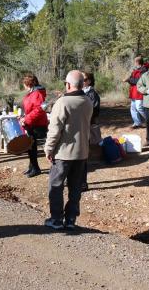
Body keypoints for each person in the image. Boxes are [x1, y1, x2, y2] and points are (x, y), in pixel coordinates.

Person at [44, 70, 93, 230]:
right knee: (75, 187)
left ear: (68, 84)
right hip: (82, 152)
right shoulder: (87, 101)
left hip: (63, 153)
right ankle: (71, 219)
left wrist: (49, 149)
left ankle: (57, 219)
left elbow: (54, 129)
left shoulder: (63, 103)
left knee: (56, 185)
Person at [20, 74, 48, 178]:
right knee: (30, 146)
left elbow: (39, 110)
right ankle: (32, 167)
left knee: (32, 146)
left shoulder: (37, 93)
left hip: (37, 124)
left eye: (24, 83)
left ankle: (36, 169)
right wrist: (23, 117)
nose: (23, 85)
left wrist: (26, 119)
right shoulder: (32, 93)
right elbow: (30, 108)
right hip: (31, 122)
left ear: (28, 83)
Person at [81, 72, 101, 191]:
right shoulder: (79, 92)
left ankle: (83, 182)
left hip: (86, 126)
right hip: (77, 127)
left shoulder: (92, 94)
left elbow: (94, 111)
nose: (82, 81)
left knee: (83, 154)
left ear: (89, 81)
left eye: (84, 79)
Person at [124, 56, 147, 128]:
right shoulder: (135, 70)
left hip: (139, 91)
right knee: (133, 108)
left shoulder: (144, 70)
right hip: (134, 91)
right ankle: (137, 122)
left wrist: (128, 80)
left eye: (135, 61)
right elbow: (132, 79)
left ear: (137, 62)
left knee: (139, 107)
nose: (134, 63)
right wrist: (128, 80)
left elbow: (138, 81)